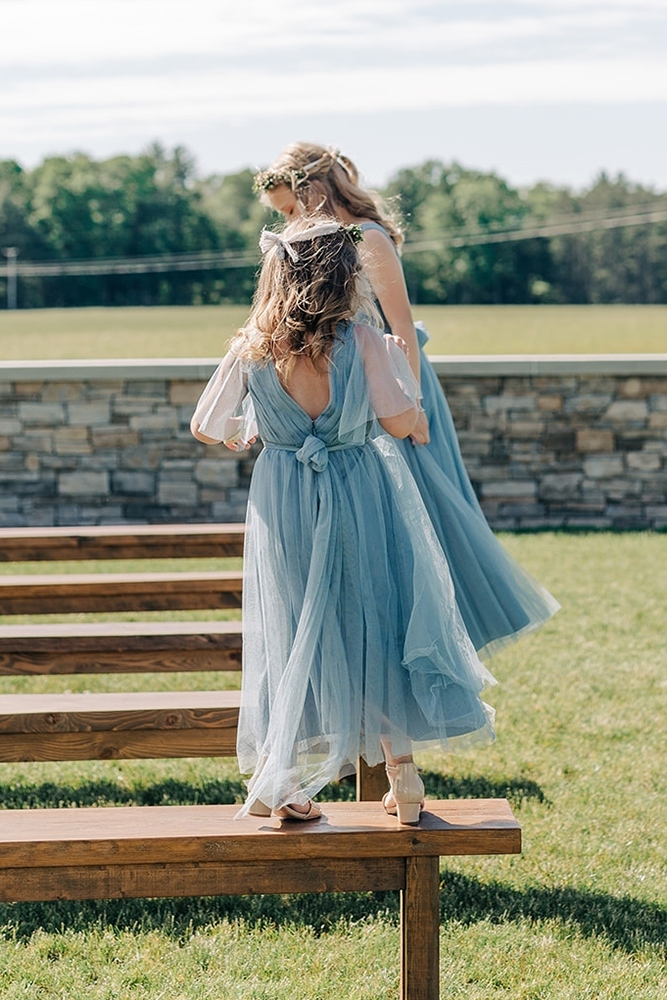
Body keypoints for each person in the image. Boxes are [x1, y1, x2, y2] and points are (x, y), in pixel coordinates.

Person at [191, 217, 496, 824]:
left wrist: (258, 430)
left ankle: (279, 778)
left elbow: (207, 424)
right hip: (359, 493)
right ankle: (403, 778)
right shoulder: (363, 341)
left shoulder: (253, 345)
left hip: (284, 503)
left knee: (294, 622)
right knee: (373, 618)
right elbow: (399, 421)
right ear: (345, 275)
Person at [254, 143, 560, 660]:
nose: (287, 222)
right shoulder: (319, 250)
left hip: (396, 387)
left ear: (312, 191)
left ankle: (429, 640)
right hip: (355, 394)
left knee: (422, 516)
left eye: (288, 210)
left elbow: (401, 329)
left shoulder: (368, 239)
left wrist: (413, 409)